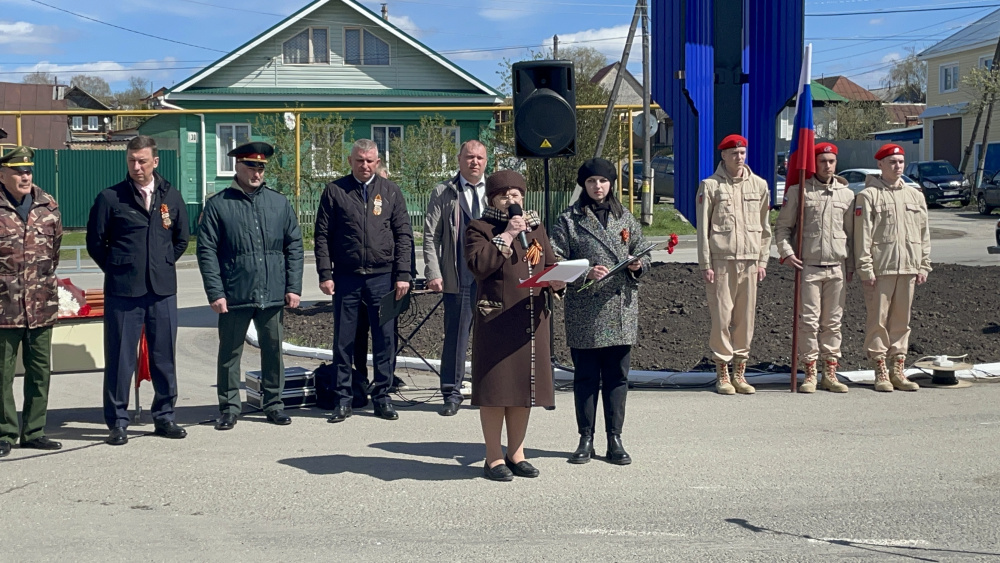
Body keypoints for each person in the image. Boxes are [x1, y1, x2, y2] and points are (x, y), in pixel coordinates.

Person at [86, 135, 190, 446]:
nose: (136, 166)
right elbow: (95, 243)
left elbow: (181, 239)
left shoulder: (171, 196)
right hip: (123, 292)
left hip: (162, 290)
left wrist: (162, 264)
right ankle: (118, 422)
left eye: (142, 161)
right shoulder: (111, 198)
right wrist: (119, 268)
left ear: (155, 161)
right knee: (121, 359)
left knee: (163, 357)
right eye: (132, 160)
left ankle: (165, 416)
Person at [196, 142, 304, 430]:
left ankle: (274, 404)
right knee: (230, 353)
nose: (257, 173)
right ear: (238, 166)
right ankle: (229, 407)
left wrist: (293, 286)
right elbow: (206, 251)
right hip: (235, 294)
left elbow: (294, 246)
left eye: (261, 168)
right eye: (251, 167)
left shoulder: (278, 203)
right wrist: (215, 292)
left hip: (273, 292)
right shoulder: (219, 204)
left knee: (273, 350)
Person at [466, 170, 565, 481]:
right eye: (504, 195)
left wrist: (558, 281)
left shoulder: (536, 228)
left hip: (530, 319)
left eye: (516, 195)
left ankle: (516, 453)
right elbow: (479, 265)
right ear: (492, 199)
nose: (511, 200)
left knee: (524, 389)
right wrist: (507, 235)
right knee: (497, 390)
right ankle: (493, 457)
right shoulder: (479, 227)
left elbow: (548, 263)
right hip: (496, 319)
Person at [550, 158, 650, 465]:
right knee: (586, 377)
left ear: (611, 184)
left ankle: (615, 439)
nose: (598, 186)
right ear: (584, 184)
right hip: (586, 311)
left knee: (617, 378)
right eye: (592, 181)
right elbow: (555, 260)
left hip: (620, 310)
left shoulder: (625, 217)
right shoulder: (569, 220)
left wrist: (638, 265)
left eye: (603, 181)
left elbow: (643, 250)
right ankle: (586, 438)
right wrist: (586, 272)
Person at [314, 139, 413, 423]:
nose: (365, 165)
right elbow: (322, 235)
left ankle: (382, 397)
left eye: (370, 161)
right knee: (344, 341)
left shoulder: (391, 191)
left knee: (384, 339)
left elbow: (403, 235)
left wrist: (403, 274)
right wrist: (325, 273)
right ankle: (343, 399)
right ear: (350, 161)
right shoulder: (335, 191)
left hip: (383, 277)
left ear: (378, 162)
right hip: (347, 278)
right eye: (360, 160)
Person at [774, 143, 853, 393]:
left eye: (831, 161)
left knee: (833, 323)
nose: (827, 166)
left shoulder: (847, 194)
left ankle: (830, 373)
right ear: (813, 163)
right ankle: (809, 372)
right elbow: (783, 228)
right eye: (822, 161)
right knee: (809, 322)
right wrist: (787, 253)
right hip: (809, 266)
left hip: (837, 267)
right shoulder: (800, 191)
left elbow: (852, 234)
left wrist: (852, 266)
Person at [696, 134, 772, 395]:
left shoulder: (759, 185)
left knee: (745, 318)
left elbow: (765, 228)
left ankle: (740, 371)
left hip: (750, 261)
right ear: (723, 156)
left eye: (742, 153)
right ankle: (723, 372)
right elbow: (703, 229)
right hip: (721, 261)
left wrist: (762, 260)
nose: (739, 157)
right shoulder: (710, 186)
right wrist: (705, 263)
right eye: (734, 153)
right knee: (722, 317)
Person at [0, 147, 63, 457]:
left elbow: (54, 255)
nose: (25, 176)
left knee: (40, 371)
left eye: (28, 171)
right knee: (2, 374)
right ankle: (5, 433)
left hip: (40, 305)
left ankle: (34, 431)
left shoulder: (48, 206)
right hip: (4, 307)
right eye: (18, 172)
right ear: (2, 175)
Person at [854, 144, 930, 392]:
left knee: (901, 321)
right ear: (880, 165)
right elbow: (862, 236)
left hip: (908, 267)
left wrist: (923, 265)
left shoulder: (915, 196)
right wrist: (865, 268)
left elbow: (924, 233)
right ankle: (880, 369)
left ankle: (897, 368)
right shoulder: (869, 196)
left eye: (900, 162)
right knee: (878, 321)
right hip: (881, 268)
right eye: (892, 162)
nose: (898, 166)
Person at [423, 140, 488, 416]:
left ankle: (489, 391)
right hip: (459, 276)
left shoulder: (495, 191)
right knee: (456, 338)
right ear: (459, 159)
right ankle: (451, 392)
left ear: (486, 162)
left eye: (480, 158)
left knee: (491, 336)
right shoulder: (444, 192)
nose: (475, 162)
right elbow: (431, 236)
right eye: (469, 157)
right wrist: (434, 272)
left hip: (491, 278)